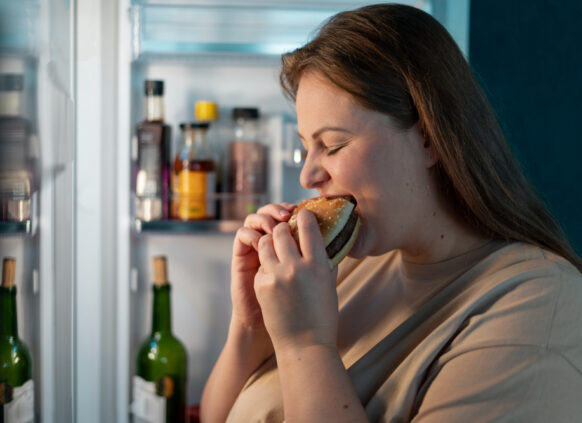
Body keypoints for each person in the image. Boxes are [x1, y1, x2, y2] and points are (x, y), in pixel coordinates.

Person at [200, 4, 582, 422]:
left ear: (429, 139)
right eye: (306, 146)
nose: (309, 174)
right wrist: (252, 326)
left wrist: (305, 345)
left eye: (334, 144)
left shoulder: (538, 311)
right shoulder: (344, 265)